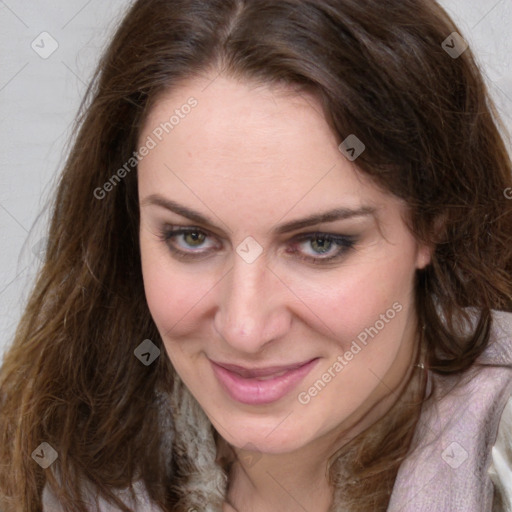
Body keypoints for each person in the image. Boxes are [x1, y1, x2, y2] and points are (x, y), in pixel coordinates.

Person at [1, 0, 511, 511]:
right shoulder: (42, 452)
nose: (244, 329)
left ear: (433, 222)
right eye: (191, 237)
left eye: (319, 243)